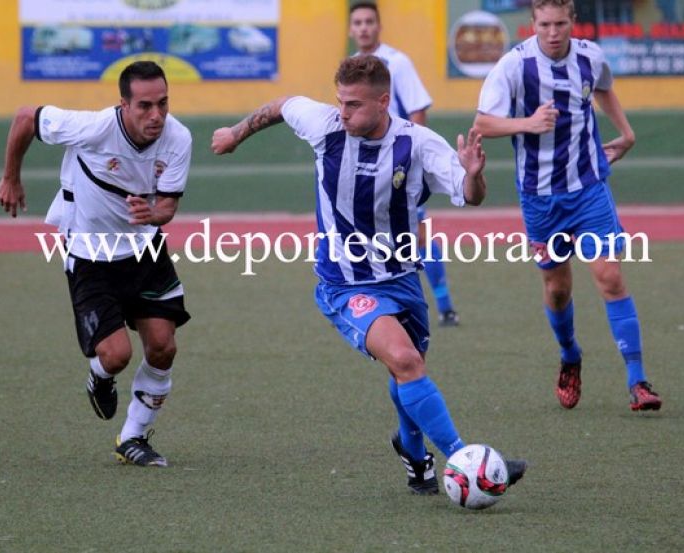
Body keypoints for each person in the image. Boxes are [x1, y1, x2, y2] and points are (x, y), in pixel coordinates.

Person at [211, 55, 526, 495]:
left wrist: (474, 176)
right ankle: (465, 461)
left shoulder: (417, 144)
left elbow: (469, 196)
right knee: (405, 360)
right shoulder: (325, 125)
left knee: (409, 372)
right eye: (340, 101)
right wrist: (235, 134)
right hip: (345, 283)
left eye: (354, 104)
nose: (343, 112)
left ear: (383, 101)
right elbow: (282, 105)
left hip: (401, 280)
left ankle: (415, 458)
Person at [0, 61, 192, 466]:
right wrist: (11, 177)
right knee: (116, 356)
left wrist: (151, 216)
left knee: (162, 347)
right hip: (90, 255)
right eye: (144, 106)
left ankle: (133, 437)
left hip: (145, 253)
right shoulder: (92, 128)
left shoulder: (179, 138)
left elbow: (169, 205)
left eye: (163, 103)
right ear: (123, 105)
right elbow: (24, 118)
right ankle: (100, 376)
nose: (156, 115)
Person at [473, 0, 662, 411]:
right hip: (540, 199)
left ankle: (638, 380)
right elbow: (483, 123)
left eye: (561, 24)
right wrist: (526, 123)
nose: (553, 32)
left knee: (609, 276)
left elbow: (604, 88)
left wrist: (625, 133)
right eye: (545, 24)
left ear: (572, 22)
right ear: (533, 24)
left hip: (589, 188)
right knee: (557, 290)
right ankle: (570, 355)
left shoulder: (590, 56)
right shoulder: (514, 65)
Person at [349, 1, 459, 327]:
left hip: (397, 167)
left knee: (417, 237)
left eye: (370, 21)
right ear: (351, 29)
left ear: (379, 26)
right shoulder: (350, 68)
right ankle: (362, 300)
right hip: (363, 170)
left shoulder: (397, 63)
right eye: (358, 22)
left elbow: (417, 110)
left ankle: (445, 305)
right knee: (362, 235)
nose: (364, 27)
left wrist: (412, 155)